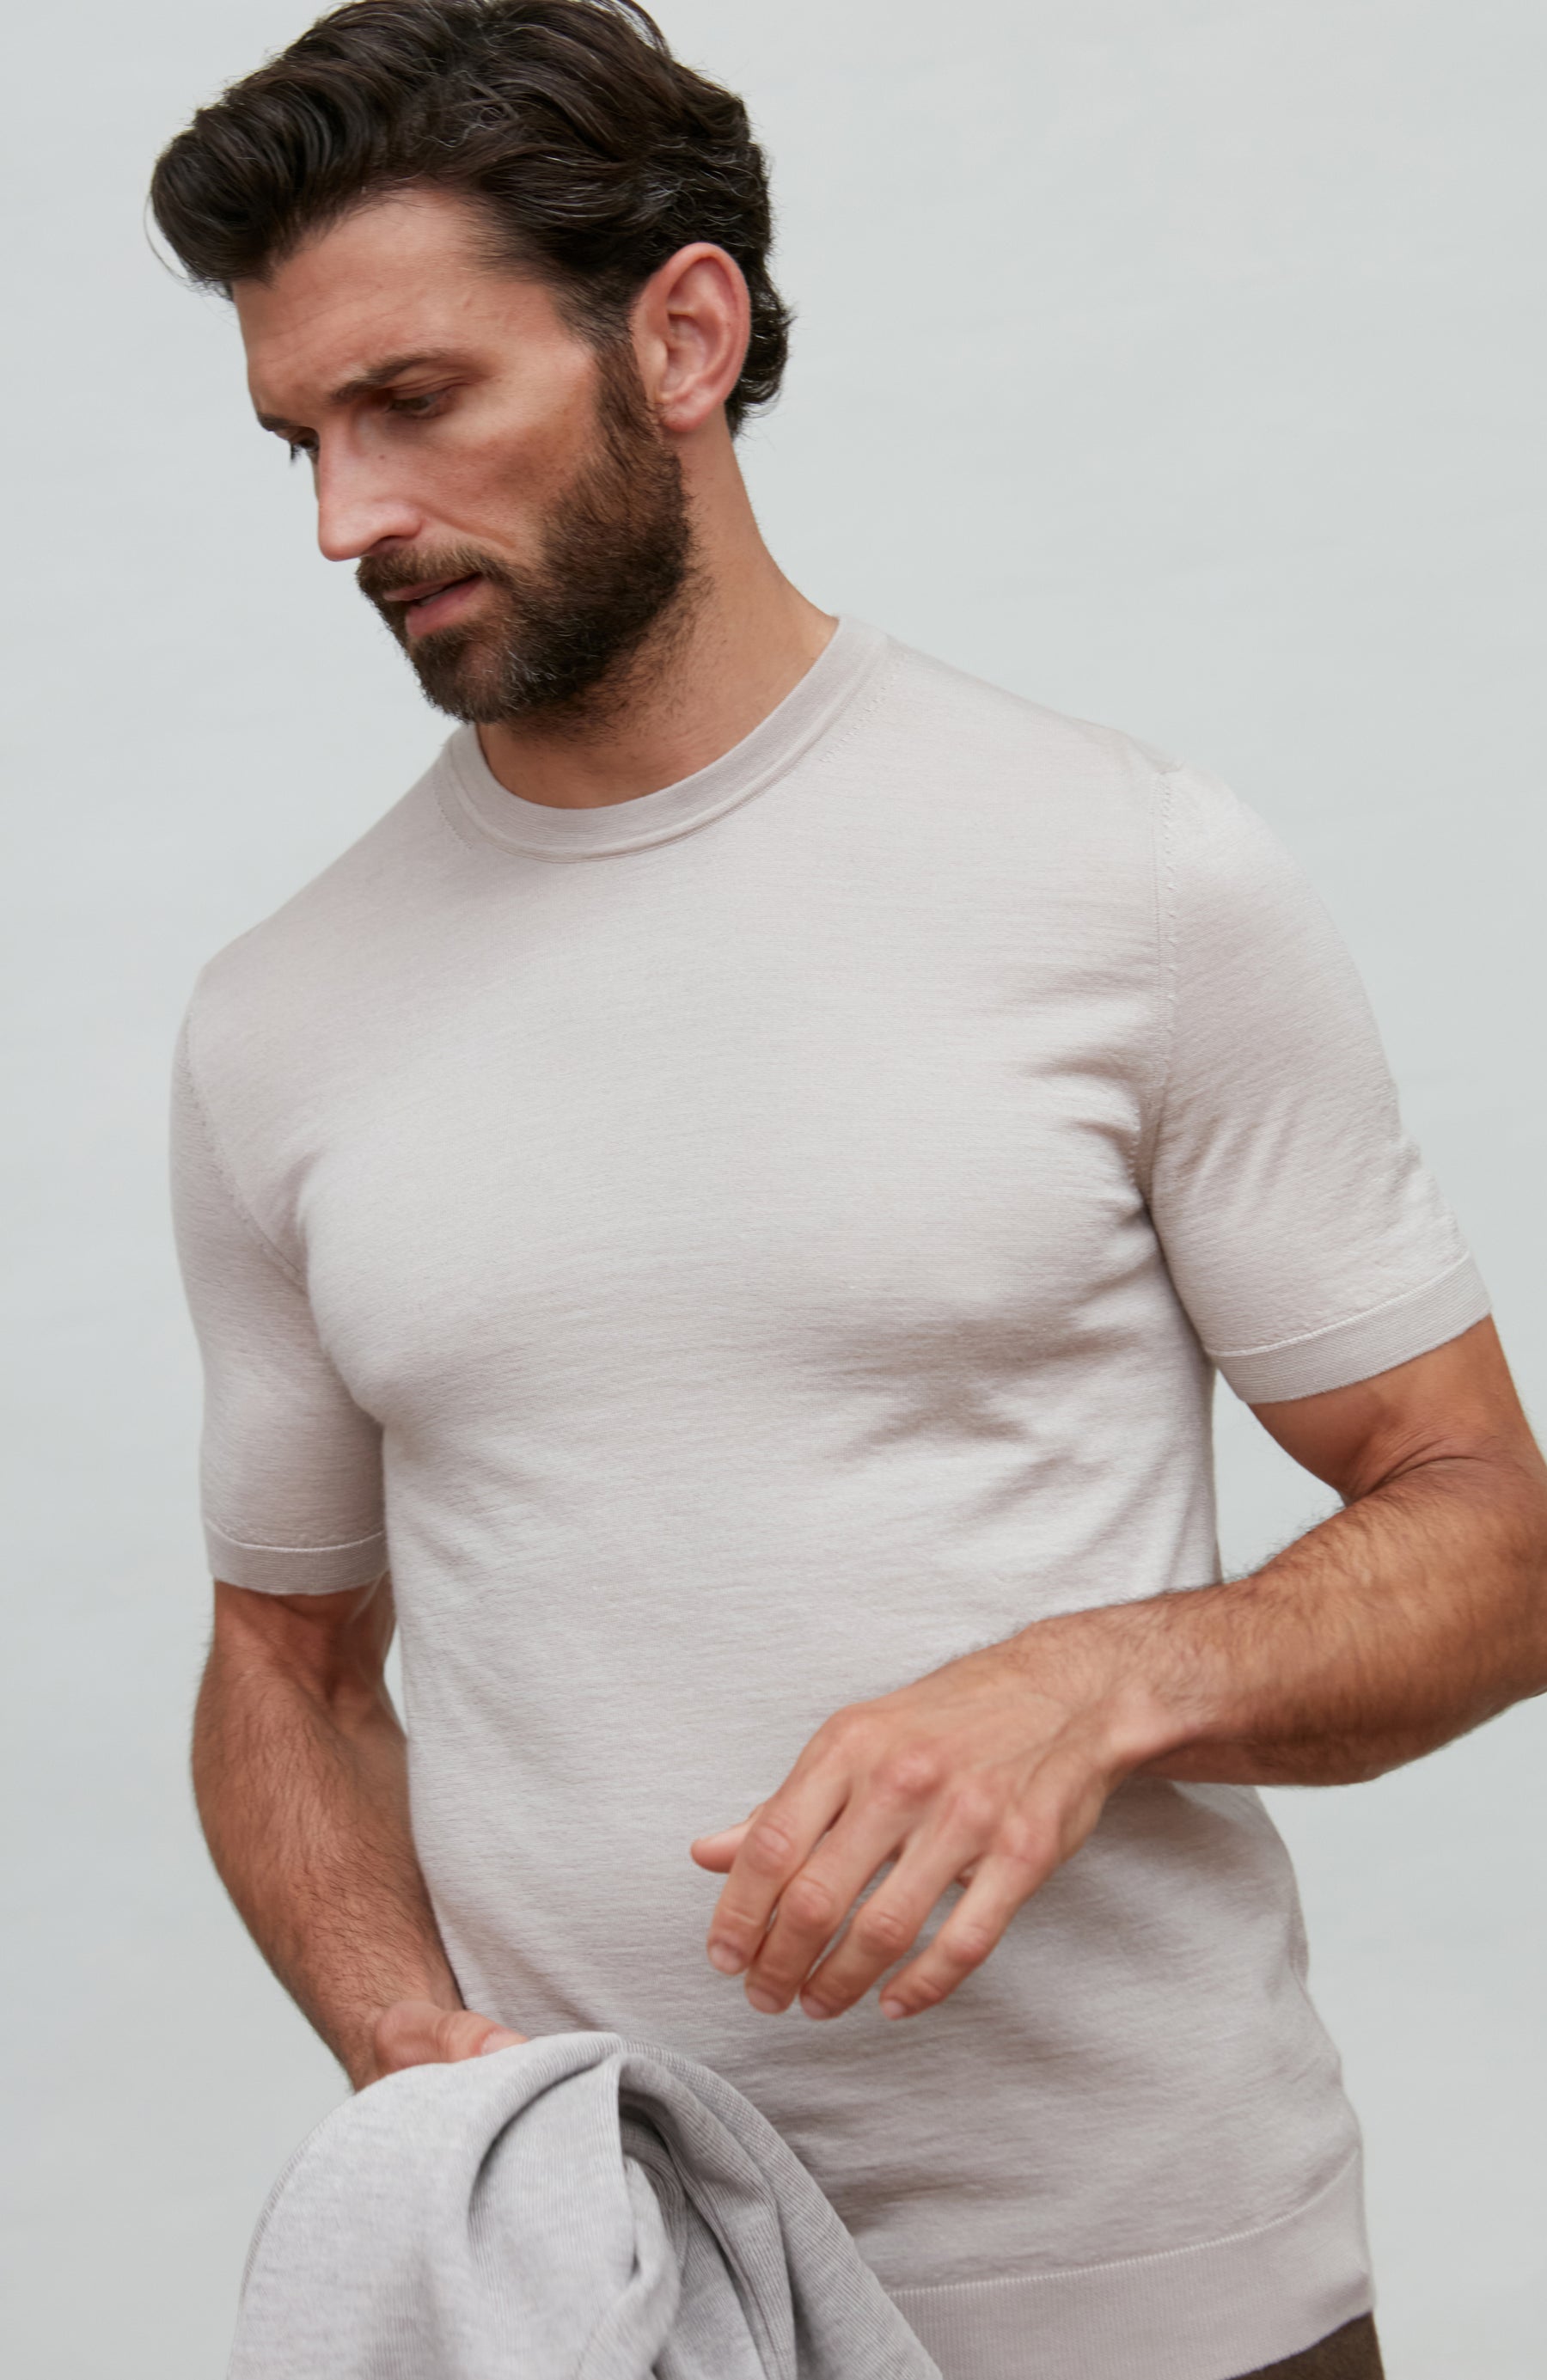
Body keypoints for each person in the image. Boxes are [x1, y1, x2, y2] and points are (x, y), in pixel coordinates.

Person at [150, 6, 1547, 2377]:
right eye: (300, 437)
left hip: (1173, 2299)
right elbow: (285, 1665)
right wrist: (416, 2064)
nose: (341, 519)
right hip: (619, 2305)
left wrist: (1095, 1679)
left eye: (414, 403)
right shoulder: (279, 1018)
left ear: (681, 335)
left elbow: (1491, 1535)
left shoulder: (1129, 875)